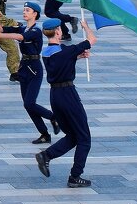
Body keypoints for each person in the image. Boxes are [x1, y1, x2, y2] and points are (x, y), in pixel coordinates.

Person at [33, 17, 95, 188]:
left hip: (55, 95)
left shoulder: (47, 52)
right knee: (84, 138)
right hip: (68, 95)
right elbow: (91, 40)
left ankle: (46, 155)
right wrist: (86, 26)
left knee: (73, 136)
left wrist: (78, 57)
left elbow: (60, 62)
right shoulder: (66, 51)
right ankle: (75, 176)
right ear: (58, 31)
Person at [0, 1, 58, 143]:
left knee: (30, 103)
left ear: (35, 14)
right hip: (24, 68)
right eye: (24, 10)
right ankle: (44, 134)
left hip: (34, 69)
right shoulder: (23, 28)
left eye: (27, 10)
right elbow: (3, 30)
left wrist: (0, 36)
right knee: (28, 105)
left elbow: (20, 38)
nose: (24, 12)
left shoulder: (35, 31)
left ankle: (53, 117)